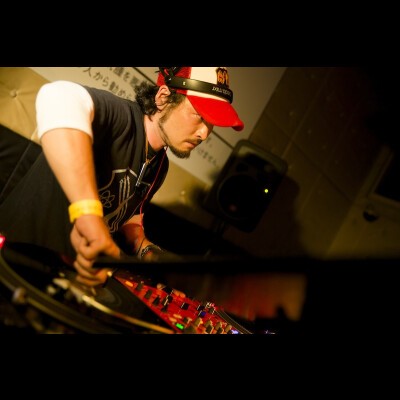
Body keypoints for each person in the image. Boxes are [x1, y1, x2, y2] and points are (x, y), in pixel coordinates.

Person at [0, 67, 244, 287]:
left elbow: (129, 215)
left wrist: (145, 250)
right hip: (17, 262)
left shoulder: (160, 165)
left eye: (211, 123)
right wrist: (88, 214)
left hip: (67, 280)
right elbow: (58, 96)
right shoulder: (121, 117)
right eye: (199, 116)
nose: (204, 133)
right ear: (163, 98)